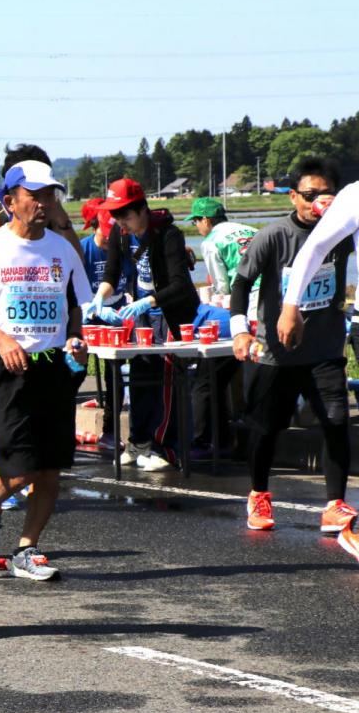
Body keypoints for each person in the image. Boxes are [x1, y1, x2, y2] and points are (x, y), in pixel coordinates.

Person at [0, 160, 92, 581]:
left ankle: (27, 550)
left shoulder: (62, 248)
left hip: (53, 369)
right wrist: (1, 338)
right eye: (36, 195)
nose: (46, 203)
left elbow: (75, 308)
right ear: (10, 201)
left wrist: (75, 341)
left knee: (50, 468)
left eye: (50, 195)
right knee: (20, 467)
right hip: (8, 368)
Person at [229, 157, 354, 537]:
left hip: (326, 349)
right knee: (266, 428)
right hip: (277, 351)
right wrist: (240, 331)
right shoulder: (274, 235)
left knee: (336, 421)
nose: (317, 202)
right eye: (309, 194)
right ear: (293, 196)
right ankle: (258, 493)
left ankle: (334, 505)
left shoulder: (343, 233)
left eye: (326, 194)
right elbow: (240, 285)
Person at [96, 178, 200, 469]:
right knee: (141, 377)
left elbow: (180, 284)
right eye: (115, 216)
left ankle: (164, 448)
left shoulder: (168, 235)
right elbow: (112, 273)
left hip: (170, 315)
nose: (120, 222)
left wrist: (147, 301)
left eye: (125, 215)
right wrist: (100, 297)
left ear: (142, 209)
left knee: (167, 381)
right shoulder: (119, 233)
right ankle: (138, 442)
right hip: (140, 316)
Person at [189, 197, 256, 455]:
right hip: (275, 298)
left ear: (206, 220)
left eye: (196, 221)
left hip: (248, 303)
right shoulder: (250, 230)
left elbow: (222, 287)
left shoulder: (211, 241)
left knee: (213, 374)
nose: (197, 227)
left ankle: (207, 440)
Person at [0, 144, 81, 263]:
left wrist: (62, 221)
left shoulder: (53, 215)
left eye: (47, 192)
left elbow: (78, 262)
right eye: (33, 193)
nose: (42, 203)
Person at [80, 198, 132, 451]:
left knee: (116, 372)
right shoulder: (84, 251)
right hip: (89, 319)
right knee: (75, 370)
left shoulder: (125, 246)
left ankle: (110, 431)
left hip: (118, 317)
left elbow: (133, 278)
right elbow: (74, 293)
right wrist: (89, 310)